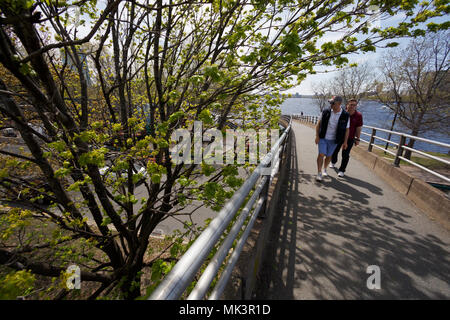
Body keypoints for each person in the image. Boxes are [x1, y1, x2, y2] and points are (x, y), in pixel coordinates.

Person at [314, 96, 349, 182]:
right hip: (323, 137)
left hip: (335, 140)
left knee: (329, 156)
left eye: (333, 103)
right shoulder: (326, 111)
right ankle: (319, 173)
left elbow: (347, 129)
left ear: (339, 104)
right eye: (330, 103)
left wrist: (345, 142)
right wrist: (317, 136)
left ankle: (324, 169)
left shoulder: (345, 115)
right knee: (321, 154)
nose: (331, 104)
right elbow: (318, 124)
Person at [330, 98, 363, 177]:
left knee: (345, 154)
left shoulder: (358, 115)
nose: (352, 106)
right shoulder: (341, 112)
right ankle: (333, 161)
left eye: (354, 105)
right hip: (339, 135)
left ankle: (342, 170)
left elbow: (358, 128)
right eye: (351, 105)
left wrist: (357, 138)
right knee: (335, 150)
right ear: (347, 105)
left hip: (350, 138)